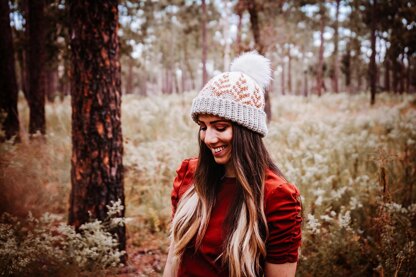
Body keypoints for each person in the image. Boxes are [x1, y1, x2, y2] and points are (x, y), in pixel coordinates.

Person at [163, 52, 302, 277]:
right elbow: (174, 259)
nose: (208, 138)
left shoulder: (277, 197)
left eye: (220, 127)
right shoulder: (189, 175)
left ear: (247, 131)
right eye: (203, 126)